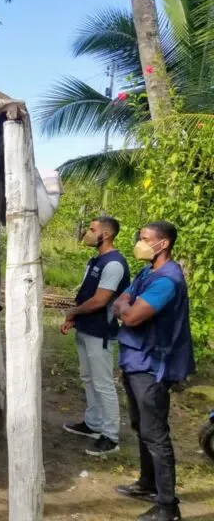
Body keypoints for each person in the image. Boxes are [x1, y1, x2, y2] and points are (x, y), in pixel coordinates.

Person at [112, 221, 194, 521]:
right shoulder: (148, 272)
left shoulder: (166, 281)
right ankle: (147, 484)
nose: (139, 242)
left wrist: (124, 309)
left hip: (153, 366)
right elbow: (120, 300)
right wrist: (124, 306)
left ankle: (168, 506)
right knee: (140, 425)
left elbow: (130, 315)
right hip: (136, 361)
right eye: (140, 236)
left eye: (145, 238)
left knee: (155, 433)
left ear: (164, 245)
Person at [61, 216, 131, 456]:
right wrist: (74, 318)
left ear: (107, 235)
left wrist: (73, 312)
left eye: (92, 229)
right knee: (88, 378)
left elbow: (100, 301)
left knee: (103, 383)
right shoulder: (95, 261)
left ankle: (110, 436)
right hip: (86, 328)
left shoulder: (114, 264)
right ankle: (93, 423)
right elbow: (86, 295)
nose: (87, 233)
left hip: (101, 331)